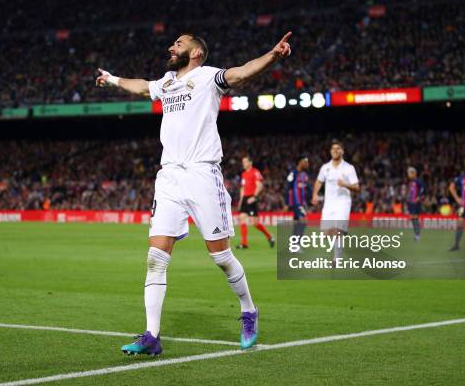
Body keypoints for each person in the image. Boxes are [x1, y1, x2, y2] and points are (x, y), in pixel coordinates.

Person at [96, 31, 292, 355]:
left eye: (179, 43)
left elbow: (241, 72)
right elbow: (143, 86)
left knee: (221, 257)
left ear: (197, 52)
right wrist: (113, 78)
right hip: (169, 177)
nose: (171, 47)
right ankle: (151, 336)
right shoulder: (167, 82)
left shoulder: (208, 78)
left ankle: (248, 310)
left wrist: (272, 55)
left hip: (203, 174)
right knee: (155, 259)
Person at [311, 140, 359, 260]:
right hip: (329, 204)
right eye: (333, 149)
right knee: (325, 234)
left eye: (338, 148)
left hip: (343, 203)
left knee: (338, 230)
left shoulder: (349, 168)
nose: (335, 151)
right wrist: (315, 194)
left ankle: (337, 258)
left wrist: (345, 184)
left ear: (342, 151)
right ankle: (340, 242)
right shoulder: (325, 167)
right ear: (330, 151)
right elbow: (319, 181)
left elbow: (357, 187)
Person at [236, 156, 274, 249]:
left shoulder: (255, 172)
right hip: (245, 198)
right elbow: (242, 188)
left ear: (250, 162)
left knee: (255, 223)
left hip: (252, 198)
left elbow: (259, 185)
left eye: (245, 162)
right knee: (241, 218)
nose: (243, 164)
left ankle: (269, 236)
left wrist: (254, 197)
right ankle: (244, 243)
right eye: (243, 162)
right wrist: (241, 201)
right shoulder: (244, 174)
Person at [285, 156, 311, 237]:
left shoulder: (304, 175)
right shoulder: (293, 173)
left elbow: (309, 188)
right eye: (305, 162)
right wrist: (286, 203)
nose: (307, 164)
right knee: (303, 221)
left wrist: (312, 198)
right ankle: (296, 245)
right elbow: (287, 188)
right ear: (300, 162)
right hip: (296, 203)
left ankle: (293, 245)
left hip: (302, 203)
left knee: (297, 223)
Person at [406, 167, 425, 241]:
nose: (408, 175)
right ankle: (416, 234)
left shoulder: (418, 181)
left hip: (415, 202)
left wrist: (419, 197)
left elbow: (423, 189)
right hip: (411, 202)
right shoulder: (411, 182)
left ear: (414, 173)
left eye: (409, 173)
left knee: (415, 217)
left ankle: (417, 235)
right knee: (413, 218)